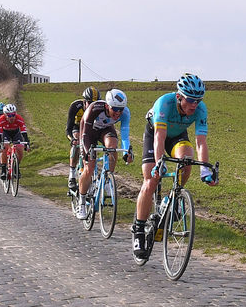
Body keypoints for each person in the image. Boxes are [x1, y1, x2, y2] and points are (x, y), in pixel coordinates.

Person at [132, 74, 216, 257]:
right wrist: (159, 163)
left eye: (198, 100)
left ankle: (174, 196)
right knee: (151, 180)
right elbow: (159, 137)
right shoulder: (165, 103)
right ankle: (138, 229)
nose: (195, 105)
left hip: (177, 136)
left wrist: (205, 170)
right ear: (179, 97)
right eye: (191, 100)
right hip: (155, 134)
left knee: (187, 158)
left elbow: (201, 142)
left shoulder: (201, 109)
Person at [75, 89, 132, 219]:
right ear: (107, 106)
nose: (118, 113)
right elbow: (84, 134)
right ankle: (82, 202)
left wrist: (127, 151)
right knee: (89, 167)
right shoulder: (94, 108)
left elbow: (124, 136)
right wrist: (88, 151)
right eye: (115, 109)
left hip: (105, 129)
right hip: (88, 132)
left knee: (112, 147)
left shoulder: (125, 113)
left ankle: (107, 179)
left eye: (121, 109)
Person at [66, 86, 99, 192]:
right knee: (76, 141)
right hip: (77, 127)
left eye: (95, 102)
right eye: (90, 102)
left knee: (93, 148)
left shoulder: (97, 109)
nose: (92, 105)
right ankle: (72, 175)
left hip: (89, 128)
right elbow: (68, 128)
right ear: (84, 101)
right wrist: (72, 139)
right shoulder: (75, 106)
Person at [0, 103, 30, 178]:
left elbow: (24, 132)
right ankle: (4, 170)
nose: (12, 117)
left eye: (13, 114)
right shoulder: (1, 119)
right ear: (5, 115)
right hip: (5, 133)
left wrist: (27, 142)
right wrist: (0, 143)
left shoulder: (19, 118)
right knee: (4, 148)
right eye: (9, 115)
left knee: (20, 149)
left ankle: (16, 167)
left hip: (16, 133)